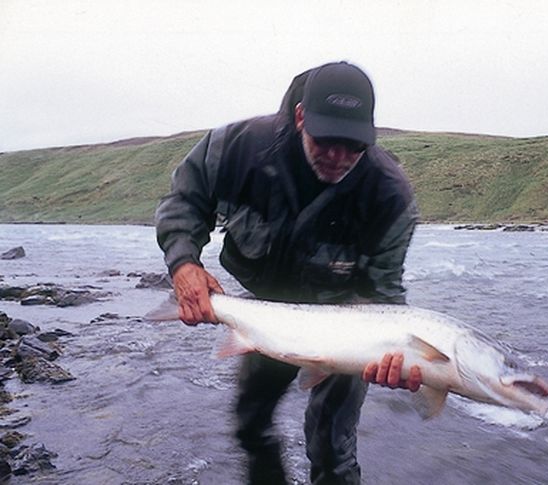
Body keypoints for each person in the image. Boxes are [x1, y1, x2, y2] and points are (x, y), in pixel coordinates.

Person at [155, 61, 421, 484]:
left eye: (353, 146)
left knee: (332, 449)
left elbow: (384, 293)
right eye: (327, 140)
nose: (338, 157)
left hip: (346, 327)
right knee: (250, 424)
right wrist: (185, 263)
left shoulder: (389, 195)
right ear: (300, 117)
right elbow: (186, 199)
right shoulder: (238, 148)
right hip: (267, 313)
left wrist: (389, 357)